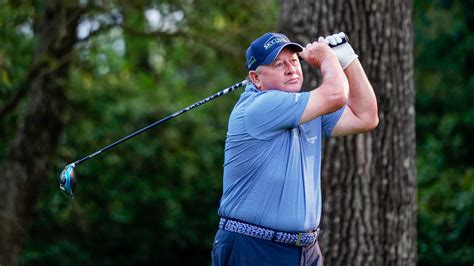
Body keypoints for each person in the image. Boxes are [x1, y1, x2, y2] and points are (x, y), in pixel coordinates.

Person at [211, 32, 378, 266]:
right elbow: (336, 94)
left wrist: (347, 58)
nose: (291, 69)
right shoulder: (259, 107)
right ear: (255, 78)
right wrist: (326, 57)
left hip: (305, 250)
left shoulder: (304, 107)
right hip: (253, 247)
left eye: (294, 61)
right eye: (279, 64)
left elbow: (366, 117)